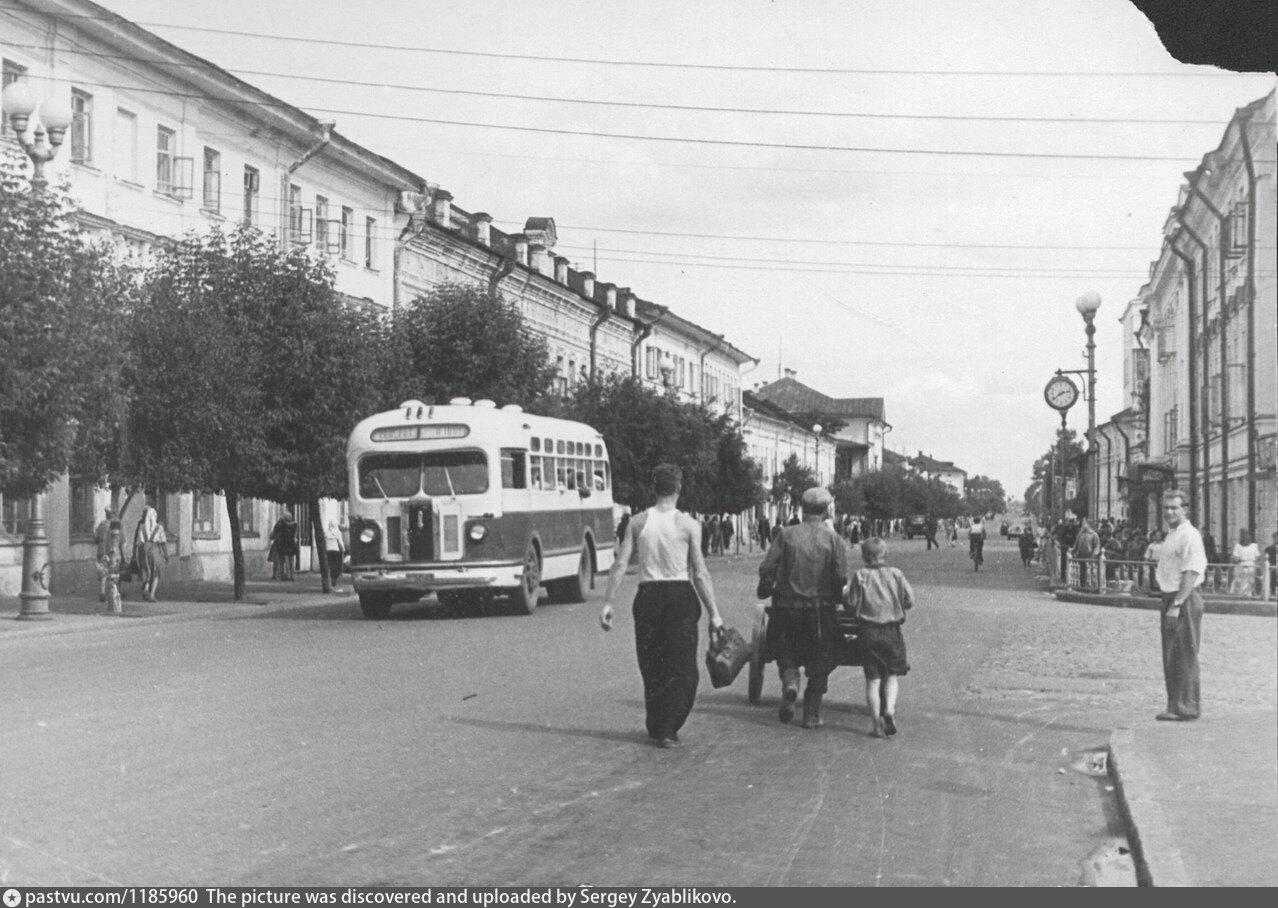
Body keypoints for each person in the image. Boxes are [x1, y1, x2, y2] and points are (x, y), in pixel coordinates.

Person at [599, 464, 725, 748]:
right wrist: (714, 614)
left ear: (653, 488)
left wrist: (609, 602)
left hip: (647, 597)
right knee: (683, 668)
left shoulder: (637, 522)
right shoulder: (689, 525)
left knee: (651, 664)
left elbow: (620, 564)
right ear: (679, 489)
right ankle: (668, 727)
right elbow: (700, 573)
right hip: (679, 595)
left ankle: (657, 724)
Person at [756, 487, 848, 729]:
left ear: (802, 509)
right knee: (822, 659)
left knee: (786, 651)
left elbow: (768, 569)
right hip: (820, 611)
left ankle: (790, 682)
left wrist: (767, 585)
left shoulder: (785, 535)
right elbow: (840, 577)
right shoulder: (834, 540)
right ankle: (811, 714)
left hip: (787, 608)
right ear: (826, 511)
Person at [846, 536, 915, 738]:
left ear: (864, 557)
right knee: (892, 676)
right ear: (885, 554)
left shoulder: (860, 576)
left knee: (873, 681)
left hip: (868, 633)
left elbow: (850, 604)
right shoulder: (896, 574)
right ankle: (890, 710)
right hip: (892, 632)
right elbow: (910, 600)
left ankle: (876, 725)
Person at [1154, 490, 1208, 721]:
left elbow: (1191, 572)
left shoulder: (1189, 535)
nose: (1169, 512)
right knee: (1172, 653)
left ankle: (1186, 707)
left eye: (1174, 508)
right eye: (1166, 508)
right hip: (1171, 596)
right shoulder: (1173, 534)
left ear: (1185, 509)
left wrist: (1176, 604)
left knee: (1184, 653)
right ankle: (1175, 706)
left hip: (1183, 598)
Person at [132, 506, 169, 602]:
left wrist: (135, 554)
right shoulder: (159, 527)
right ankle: (152, 594)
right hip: (154, 549)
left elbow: (137, 542)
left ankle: (145, 588)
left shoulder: (142, 526)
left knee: (146, 570)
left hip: (143, 549)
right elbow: (163, 543)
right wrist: (166, 555)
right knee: (156, 572)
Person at [95, 507, 124, 602]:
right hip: (113, 550)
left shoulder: (101, 525)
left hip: (101, 550)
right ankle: (115, 592)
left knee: (103, 572)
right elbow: (122, 540)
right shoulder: (117, 525)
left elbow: (96, 539)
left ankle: (102, 592)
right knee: (114, 571)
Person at [1229, 528, 1260, 596]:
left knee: (1249, 578)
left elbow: (1257, 557)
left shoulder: (1254, 546)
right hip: (1241, 564)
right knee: (1239, 578)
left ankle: (1248, 593)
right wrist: (1237, 560)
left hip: (1251, 565)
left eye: (1246, 535)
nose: (1244, 537)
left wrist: (1256, 563)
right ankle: (1239, 593)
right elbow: (1235, 557)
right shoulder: (1238, 546)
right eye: (1242, 535)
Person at [269, 511, 298, 581]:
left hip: (284, 545)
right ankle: (291, 575)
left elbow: (274, 533)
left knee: (283, 561)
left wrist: (280, 520)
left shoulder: (282, 525)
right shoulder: (294, 526)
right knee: (291, 561)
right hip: (292, 544)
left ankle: (281, 575)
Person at [1071, 518, 1100, 589]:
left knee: (1089, 571)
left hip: (1089, 555)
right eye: (1082, 524)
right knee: (1081, 571)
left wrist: (1095, 553)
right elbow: (1076, 544)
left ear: (1088, 525)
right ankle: (1081, 585)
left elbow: (1097, 546)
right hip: (1081, 554)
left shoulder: (1093, 534)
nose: (1083, 526)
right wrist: (1072, 550)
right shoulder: (1080, 534)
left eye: (1084, 524)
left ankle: (1090, 586)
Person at [325, 517, 346, 593]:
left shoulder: (326, 532)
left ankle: (330, 580)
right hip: (335, 550)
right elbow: (340, 542)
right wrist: (343, 549)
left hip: (328, 551)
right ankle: (334, 579)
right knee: (337, 566)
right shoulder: (338, 532)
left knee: (329, 566)